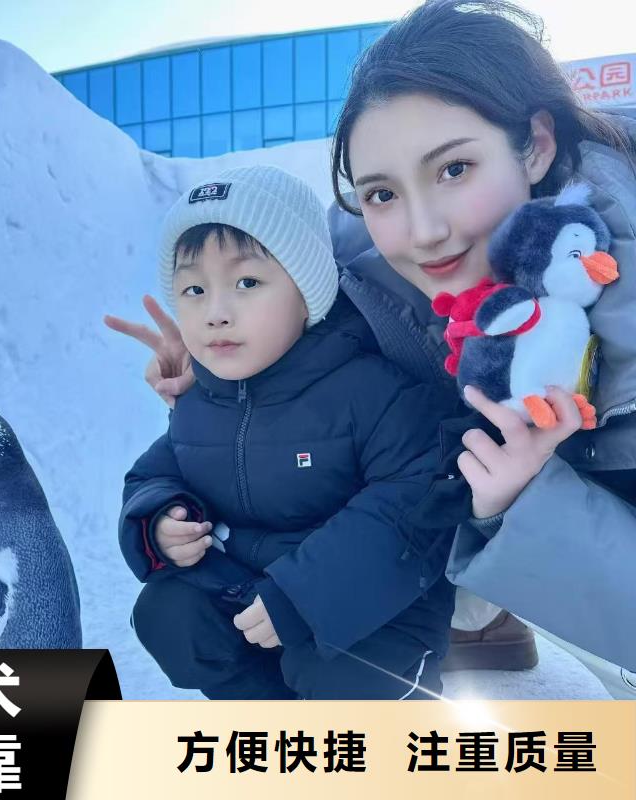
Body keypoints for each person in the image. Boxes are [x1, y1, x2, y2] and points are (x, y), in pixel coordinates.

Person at [107, 0, 636, 698]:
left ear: (535, 144)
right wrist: (224, 361)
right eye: (382, 192)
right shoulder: (362, 269)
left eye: (454, 169)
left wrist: (524, 503)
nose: (423, 231)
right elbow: (301, 362)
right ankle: (481, 622)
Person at [116, 165, 460, 700]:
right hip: (252, 595)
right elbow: (158, 472)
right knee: (170, 613)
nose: (215, 313)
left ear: (307, 292)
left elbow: (411, 504)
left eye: (247, 283)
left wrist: (304, 597)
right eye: (194, 289)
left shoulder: (369, 388)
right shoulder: (202, 398)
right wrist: (161, 521)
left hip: (368, 607)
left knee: (344, 679)